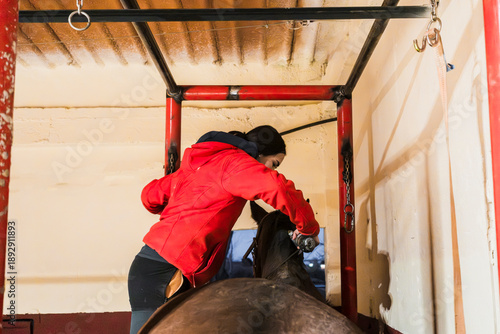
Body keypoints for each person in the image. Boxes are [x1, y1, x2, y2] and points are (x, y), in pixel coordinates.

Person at [128, 125, 320, 333]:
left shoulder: (197, 166)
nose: (272, 170)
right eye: (273, 164)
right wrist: (309, 228)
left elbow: (149, 196)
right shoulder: (235, 164)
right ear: (259, 153)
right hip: (168, 271)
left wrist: (179, 205)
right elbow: (278, 188)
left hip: (148, 267)